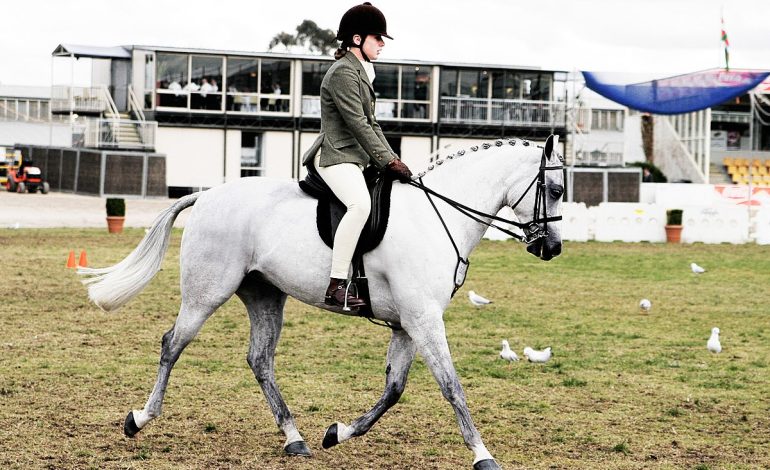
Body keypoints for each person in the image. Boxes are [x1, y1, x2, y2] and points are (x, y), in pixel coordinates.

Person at [301, 2, 413, 309]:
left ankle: (365, 279)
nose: (382, 44)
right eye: (377, 38)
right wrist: (388, 161)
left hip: (356, 157)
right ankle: (336, 284)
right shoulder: (342, 73)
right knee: (360, 204)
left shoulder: (362, 72)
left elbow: (372, 124)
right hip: (335, 155)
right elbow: (359, 125)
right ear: (356, 39)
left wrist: (393, 159)